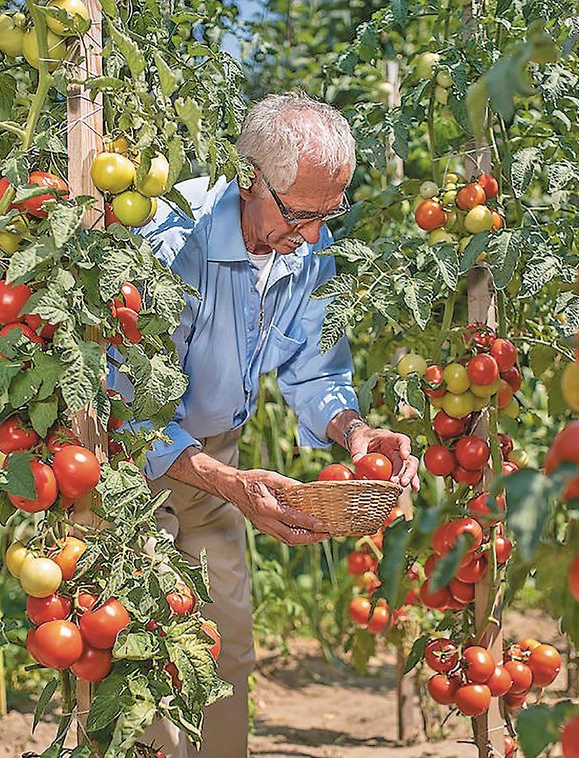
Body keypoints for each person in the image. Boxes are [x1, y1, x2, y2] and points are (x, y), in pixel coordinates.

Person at [114, 92, 419, 757]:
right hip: (130, 476)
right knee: (145, 655)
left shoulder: (306, 242)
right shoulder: (170, 238)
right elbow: (127, 408)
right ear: (250, 177)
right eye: (302, 215)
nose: (313, 235)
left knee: (229, 652)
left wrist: (354, 431)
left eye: (327, 215)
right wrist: (230, 483)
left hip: (216, 467)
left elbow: (313, 370)